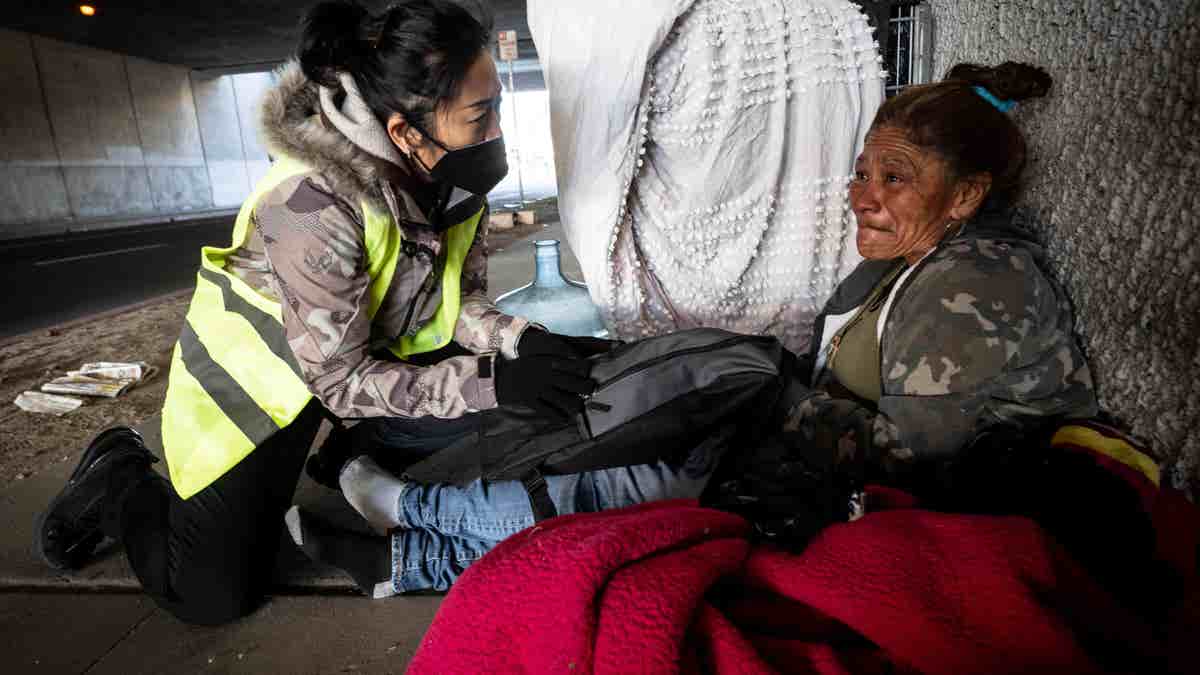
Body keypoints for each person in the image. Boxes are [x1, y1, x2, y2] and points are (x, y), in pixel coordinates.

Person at [34, 0, 606, 625]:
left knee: (502, 419)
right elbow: (339, 379)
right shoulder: (311, 203)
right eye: (481, 114)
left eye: (495, 105)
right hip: (260, 392)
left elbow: (454, 302)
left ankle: (352, 455)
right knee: (211, 595)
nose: (498, 131)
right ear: (404, 131)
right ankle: (122, 477)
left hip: (358, 359)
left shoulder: (450, 175)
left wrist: (519, 339)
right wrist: (492, 381)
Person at [770, 61, 1098, 489]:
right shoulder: (898, 264)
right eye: (862, 174)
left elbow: (908, 459)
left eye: (893, 178)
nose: (863, 199)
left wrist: (777, 401)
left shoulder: (975, 282)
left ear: (964, 195)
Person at [528, 0, 885, 353]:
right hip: (822, 326)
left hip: (688, 352)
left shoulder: (591, 14)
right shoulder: (836, 16)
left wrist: (629, 323)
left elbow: (594, 203)